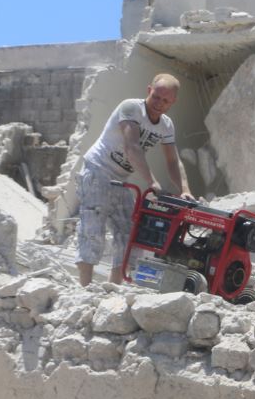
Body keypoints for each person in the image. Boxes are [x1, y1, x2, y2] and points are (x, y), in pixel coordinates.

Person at [76, 73, 193, 287]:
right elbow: (132, 147)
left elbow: (173, 161)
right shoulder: (131, 108)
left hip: (121, 179)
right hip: (98, 170)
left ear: (173, 102)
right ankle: (84, 288)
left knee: (129, 233)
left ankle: (114, 287)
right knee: (92, 228)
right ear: (149, 90)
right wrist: (152, 182)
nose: (159, 104)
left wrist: (185, 189)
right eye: (156, 97)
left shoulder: (166, 125)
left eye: (165, 100)